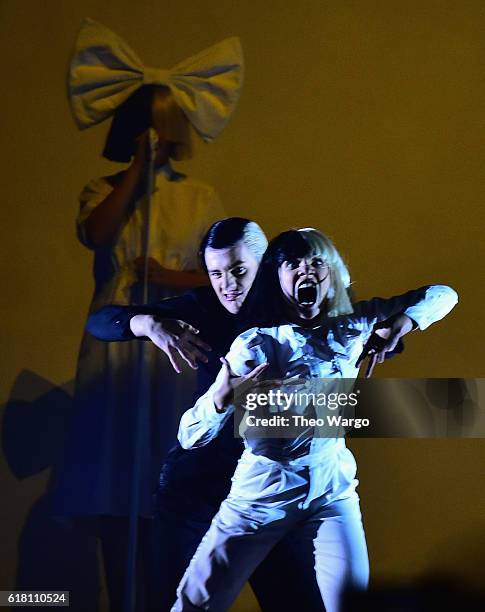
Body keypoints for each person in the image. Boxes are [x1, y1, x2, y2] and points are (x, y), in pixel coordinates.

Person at [54, 19, 244, 611]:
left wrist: (167, 279)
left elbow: (226, 279)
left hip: (174, 356)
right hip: (115, 352)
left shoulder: (201, 198)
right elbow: (97, 233)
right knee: (114, 482)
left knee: (169, 477)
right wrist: (136, 173)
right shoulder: (102, 188)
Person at [172, 228, 459, 612]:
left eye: (317, 262)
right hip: (262, 494)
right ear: (277, 277)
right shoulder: (257, 343)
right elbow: (190, 436)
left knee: (350, 603)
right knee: (196, 603)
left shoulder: (355, 325)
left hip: (331, 489)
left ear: (332, 274)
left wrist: (403, 323)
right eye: (293, 264)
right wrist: (220, 399)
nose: (307, 271)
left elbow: (443, 294)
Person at [87, 217, 327, 610]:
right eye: (216, 273)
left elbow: (363, 324)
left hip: (271, 494)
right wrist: (149, 323)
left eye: (238, 270)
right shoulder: (201, 307)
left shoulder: (300, 307)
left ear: (265, 265)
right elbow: (101, 322)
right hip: (196, 493)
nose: (227, 285)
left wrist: (390, 333)